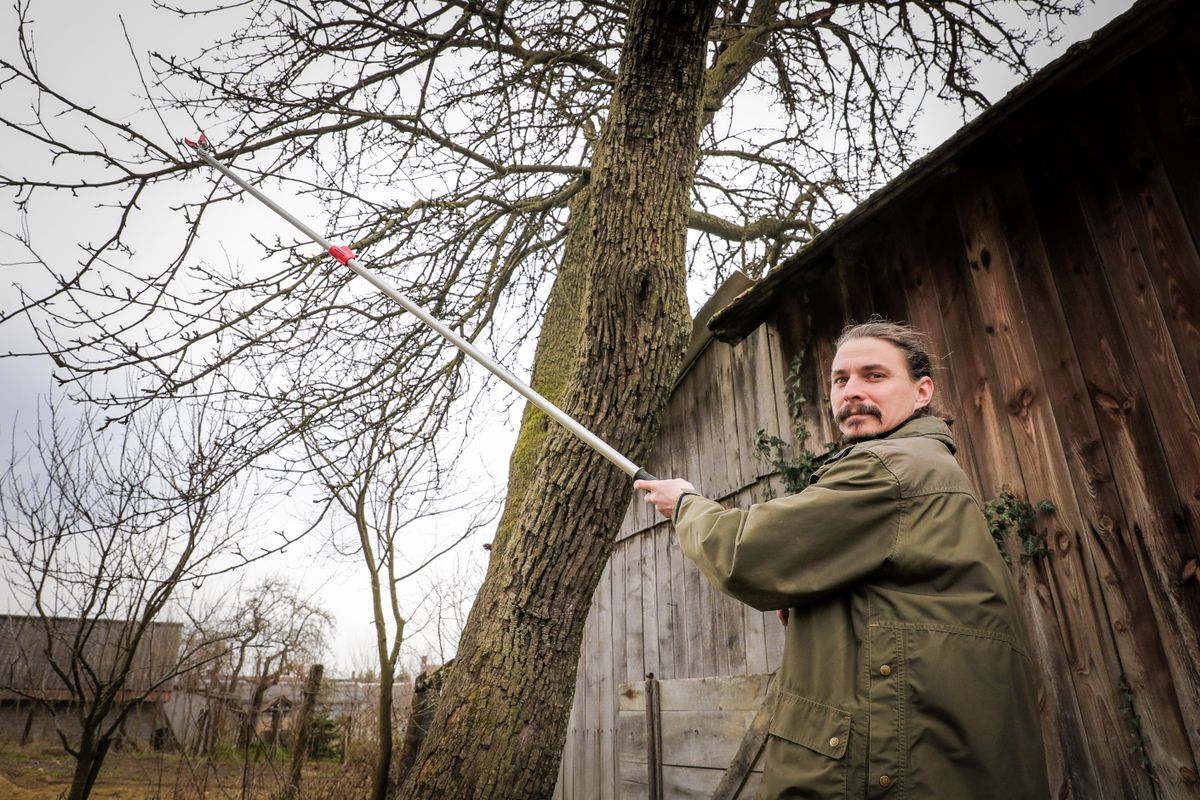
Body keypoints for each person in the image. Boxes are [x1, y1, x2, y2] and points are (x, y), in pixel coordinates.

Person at [635, 320, 1049, 800]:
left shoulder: (893, 468)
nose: (851, 392)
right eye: (840, 380)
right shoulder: (924, 467)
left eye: (874, 375)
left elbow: (745, 552)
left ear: (922, 392)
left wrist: (685, 503)